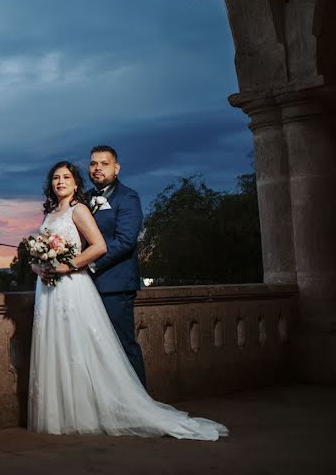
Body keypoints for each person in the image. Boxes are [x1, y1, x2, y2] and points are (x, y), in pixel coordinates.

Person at [28, 160, 227, 440]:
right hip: (47, 288)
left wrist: (67, 266)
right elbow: (39, 252)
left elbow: (99, 246)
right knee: (56, 344)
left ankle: (91, 409)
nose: (60, 181)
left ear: (76, 183)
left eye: (66, 177)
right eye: (56, 178)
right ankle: (61, 411)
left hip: (70, 286)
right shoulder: (49, 213)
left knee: (78, 346)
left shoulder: (79, 210)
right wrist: (38, 266)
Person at [86, 145, 146, 386]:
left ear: (116, 168)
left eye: (104, 163)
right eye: (93, 163)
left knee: (123, 346)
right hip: (86, 288)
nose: (97, 168)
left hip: (115, 285)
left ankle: (141, 405)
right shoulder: (83, 198)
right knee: (95, 350)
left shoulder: (128, 197)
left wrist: (87, 264)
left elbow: (125, 241)